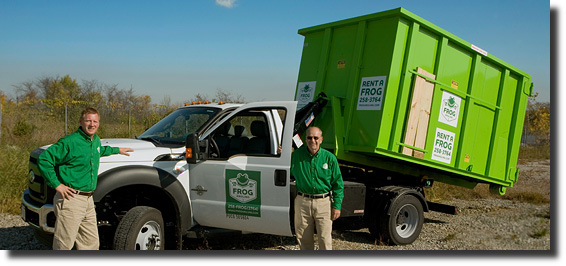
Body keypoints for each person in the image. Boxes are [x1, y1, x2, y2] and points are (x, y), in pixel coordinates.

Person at [38, 107, 134, 250]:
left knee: (91, 244)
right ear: (81, 121)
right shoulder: (69, 142)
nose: (92, 124)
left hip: (88, 200)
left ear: (99, 123)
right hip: (71, 200)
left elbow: (98, 151)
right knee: (64, 245)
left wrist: (116, 150)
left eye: (95, 121)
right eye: (88, 120)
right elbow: (44, 159)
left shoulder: (94, 140)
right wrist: (57, 185)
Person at [291, 126, 344, 250]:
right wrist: (280, 153)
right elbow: (281, 167)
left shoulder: (329, 158)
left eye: (316, 138)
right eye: (309, 138)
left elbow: (338, 184)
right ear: (305, 139)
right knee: (304, 239)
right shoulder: (296, 156)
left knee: (325, 239)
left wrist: (337, 206)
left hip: (323, 203)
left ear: (321, 139)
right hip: (302, 202)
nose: (312, 141)